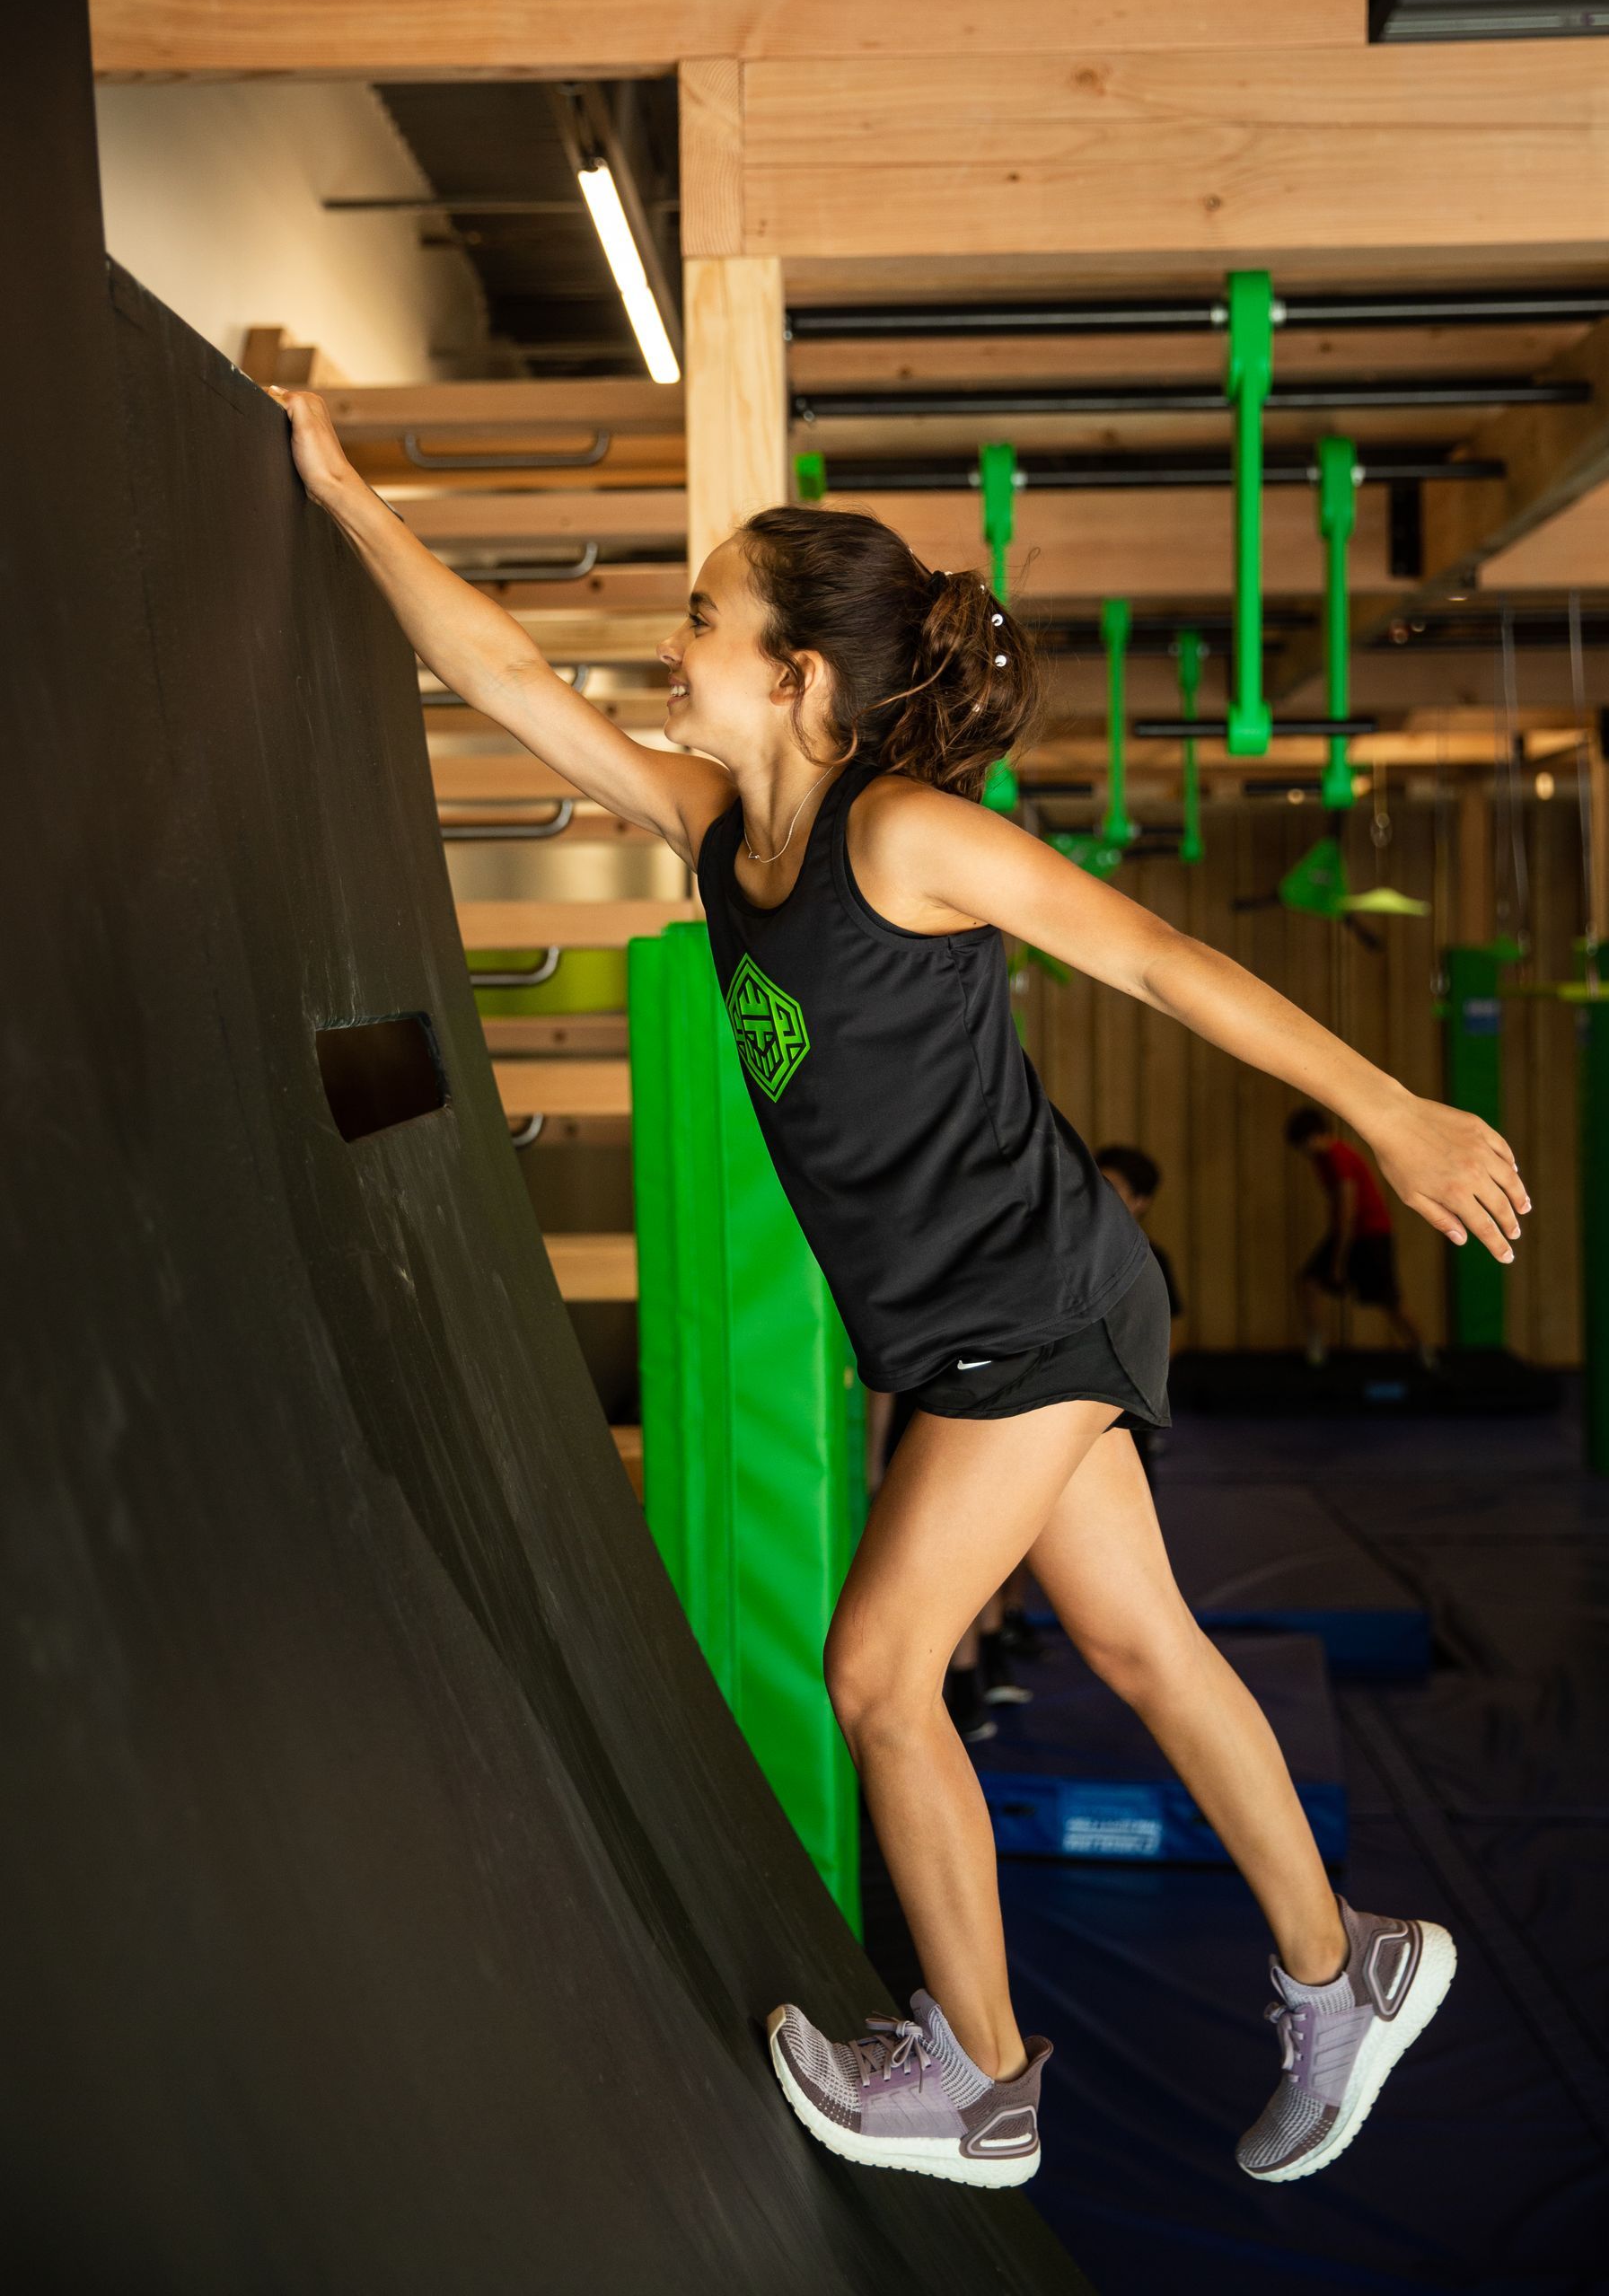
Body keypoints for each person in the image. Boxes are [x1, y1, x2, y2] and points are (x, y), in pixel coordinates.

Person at [273, 403, 1524, 2193]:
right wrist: (342, 493)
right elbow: (512, 683)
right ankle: (1348, 1969)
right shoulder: (716, 828)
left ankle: (986, 2078)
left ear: (796, 679)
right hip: (976, 1327)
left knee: (876, 1671)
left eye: (705, 618)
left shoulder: (910, 837)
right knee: (1141, 1645)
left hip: (1034, 1305)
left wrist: (1393, 1110)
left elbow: (1159, 961)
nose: (674, 643)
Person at [1287, 1104, 1436, 1369]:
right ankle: (1317, 1349)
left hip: (1370, 1233)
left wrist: (1338, 1262)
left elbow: (1347, 1211)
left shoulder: (1338, 1156)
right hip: (1349, 1232)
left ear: (1315, 1137)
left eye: (1305, 1145)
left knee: (1391, 1301)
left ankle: (1426, 1355)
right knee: (1307, 1283)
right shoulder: (1321, 1161)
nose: (1305, 1152)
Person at [1095, 1143, 1183, 1476]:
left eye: (1112, 1188)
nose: (1098, 1196)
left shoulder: (1150, 1260)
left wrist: (1146, 1382)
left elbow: (1173, 1327)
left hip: (1123, 1396)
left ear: (1140, 1202)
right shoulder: (1069, 1253)